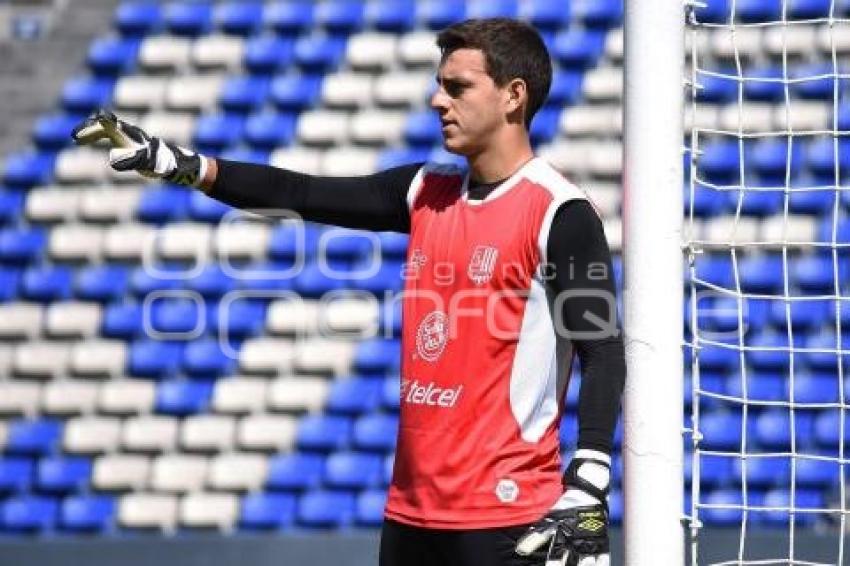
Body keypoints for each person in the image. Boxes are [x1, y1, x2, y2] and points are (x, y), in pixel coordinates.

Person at [73, 17, 625, 566]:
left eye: (457, 87)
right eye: (440, 84)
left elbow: (602, 350)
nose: (438, 100)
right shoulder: (424, 190)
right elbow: (301, 192)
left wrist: (590, 480)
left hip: (510, 519)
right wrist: (186, 167)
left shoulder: (560, 211)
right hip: (410, 516)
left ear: (514, 96)